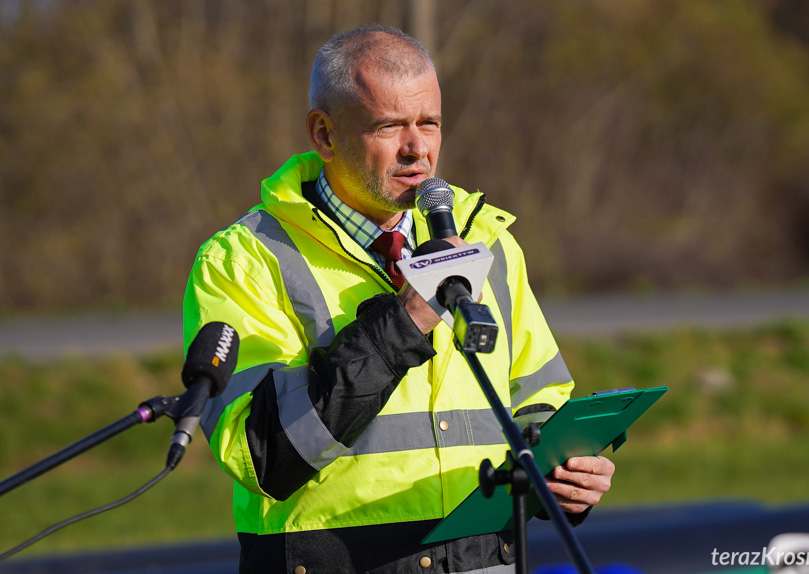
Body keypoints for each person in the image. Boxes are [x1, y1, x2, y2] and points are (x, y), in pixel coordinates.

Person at [183, 24, 615, 574]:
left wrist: (565, 468)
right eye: (390, 126)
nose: (419, 150)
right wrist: (406, 319)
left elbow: (537, 397)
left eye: (429, 123)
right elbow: (262, 452)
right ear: (324, 134)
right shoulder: (243, 259)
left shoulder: (489, 242)